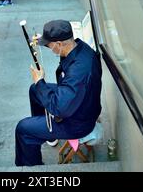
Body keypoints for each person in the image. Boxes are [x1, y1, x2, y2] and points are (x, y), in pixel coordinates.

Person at [15, 20, 102, 167]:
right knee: (34, 90)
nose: (48, 48)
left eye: (49, 45)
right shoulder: (80, 48)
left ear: (60, 44)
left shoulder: (78, 73)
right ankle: (45, 132)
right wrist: (44, 39)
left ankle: (32, 167)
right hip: (79, 102)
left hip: (78, 122)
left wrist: (39, 81)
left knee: (23, 129)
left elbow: (60, 108)